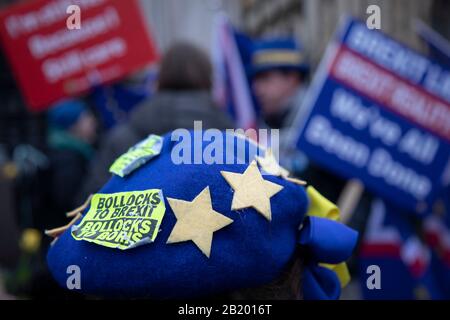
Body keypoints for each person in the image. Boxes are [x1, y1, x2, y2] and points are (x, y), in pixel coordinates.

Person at [78, 42, 233, 200]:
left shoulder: (123, 136)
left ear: (159, 78)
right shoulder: (233, 139)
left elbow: (90, 202)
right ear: (209, 79)